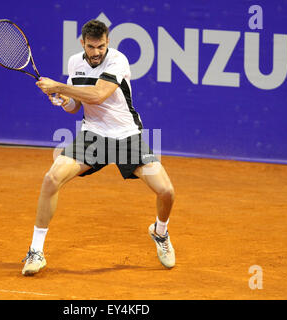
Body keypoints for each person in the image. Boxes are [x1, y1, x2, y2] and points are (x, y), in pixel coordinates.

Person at [22, 20, 175, 276]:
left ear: (108, 43)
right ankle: (36, 251)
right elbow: (76, 105)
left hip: (128, 137)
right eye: (91, 47)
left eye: (101, 46)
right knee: (51, 179)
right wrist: (63, 100)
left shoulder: (118, 60)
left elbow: (97, 95)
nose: (96, 52)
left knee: (166, 191)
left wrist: (58, 86)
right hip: (93, 136)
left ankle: (160, 232)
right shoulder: (75, 63)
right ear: (83, 43)